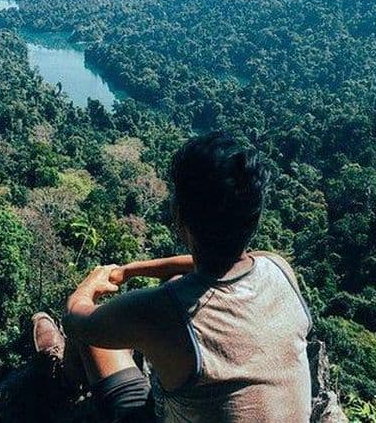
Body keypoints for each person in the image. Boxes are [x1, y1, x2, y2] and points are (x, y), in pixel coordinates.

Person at [31, 132, 313, 422]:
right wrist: (131, 270)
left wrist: (90, 283)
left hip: (155, 401)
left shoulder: (165, 312)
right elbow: (206, 263)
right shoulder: (279, 269)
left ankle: (63, 380)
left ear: (178, 216)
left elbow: (77, 320)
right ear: (254, 218)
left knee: (92, 335)